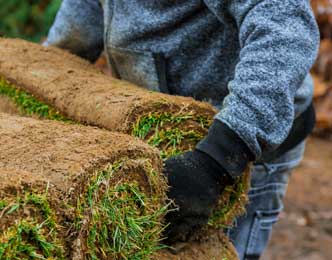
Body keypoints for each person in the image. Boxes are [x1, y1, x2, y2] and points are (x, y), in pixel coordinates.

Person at [44, 1, 319, 259]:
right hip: (166, 132)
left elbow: (285, 30)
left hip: (241, 141)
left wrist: (217, 160)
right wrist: (45, 68)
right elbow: (85, 10)